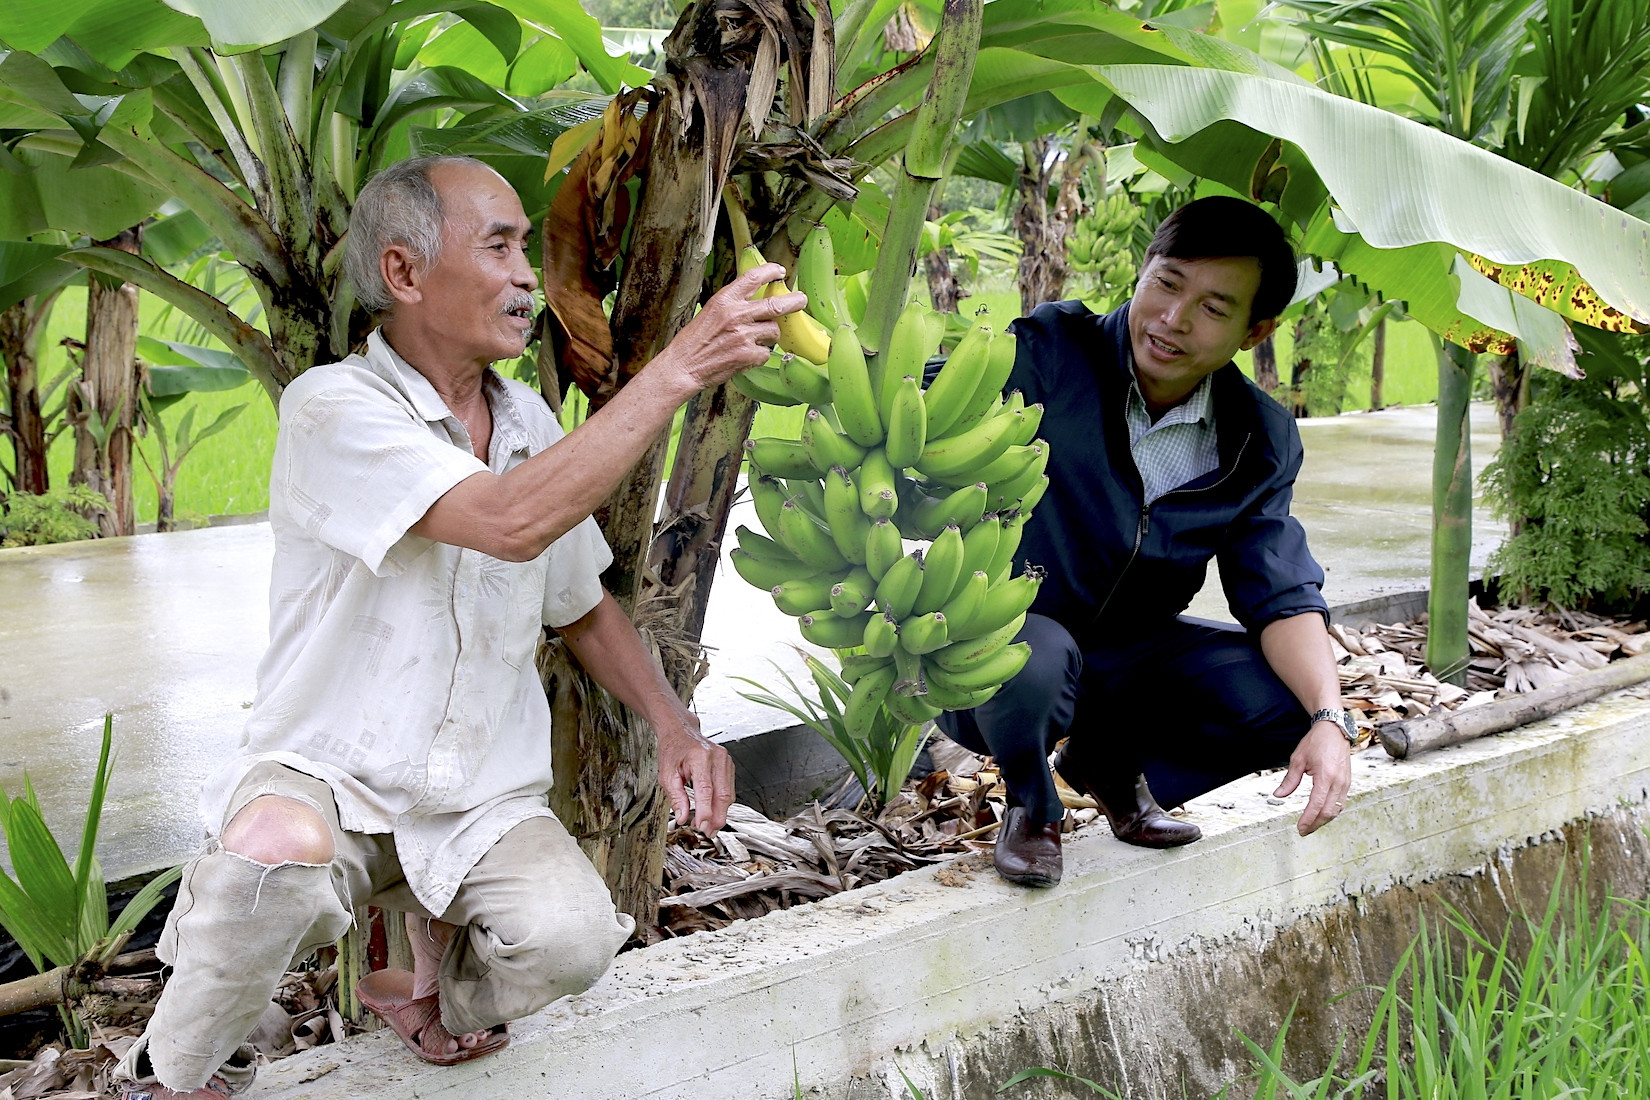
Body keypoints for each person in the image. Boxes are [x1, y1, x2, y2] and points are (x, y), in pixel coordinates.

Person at [117, 155, 803, 1099]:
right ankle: (169, 1073)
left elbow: (584, 606)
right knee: (270, 859)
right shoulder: (332, 409)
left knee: (569, 942)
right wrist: (680, 365)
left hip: (476, 802)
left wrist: (675, 726)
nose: (529, 274)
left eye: (527, 247)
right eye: (500, 246)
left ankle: (433, 997)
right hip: (333, 779)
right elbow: (507, 523)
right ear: (404, 274)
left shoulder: (530, 424)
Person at [938, 195, 1355, 888]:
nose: (1173, 319)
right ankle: (1032, 805)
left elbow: (1280, 590)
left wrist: (1329, 719)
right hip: (1000, 640)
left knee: (1285, 706)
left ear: (1256, 331)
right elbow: (929, 399)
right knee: (1033, 659)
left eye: (1214, 309)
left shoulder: (1256, 437)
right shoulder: (1050, 354)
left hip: (1128, 653)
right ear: (1144, 273)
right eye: (1167, 284)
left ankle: (1104, 761)